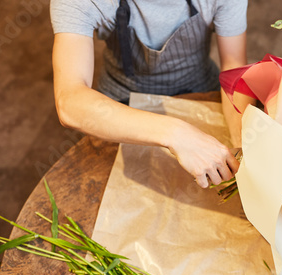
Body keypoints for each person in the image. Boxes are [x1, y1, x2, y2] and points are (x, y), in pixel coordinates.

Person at [50, 0, 250, 188]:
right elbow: (70, 101)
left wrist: (242, 144)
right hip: (122, 100)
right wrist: (176, 133)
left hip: (200, 88)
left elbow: (233, 66)